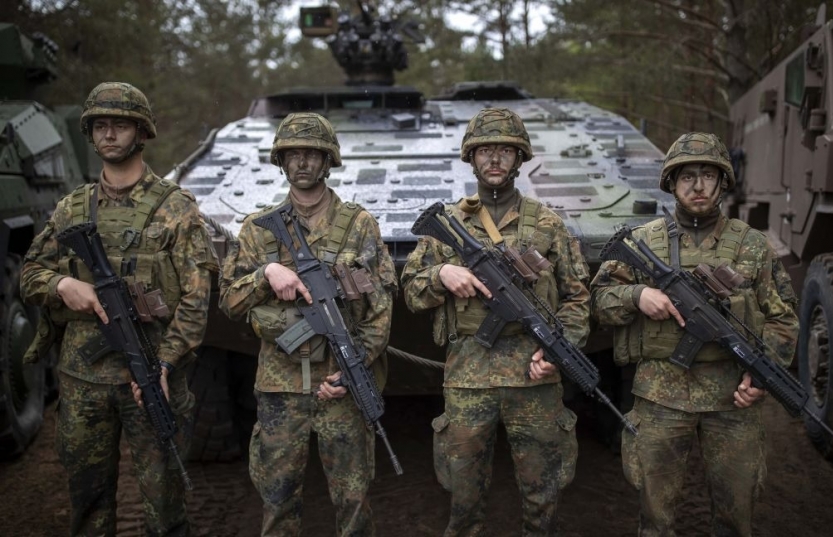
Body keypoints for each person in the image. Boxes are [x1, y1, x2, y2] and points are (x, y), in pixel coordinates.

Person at [20, 81, 217, 536]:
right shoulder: (72, 209)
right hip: (83, 380)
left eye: (121, 125)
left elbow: (195, 302)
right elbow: (30, 272)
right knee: (88, 504)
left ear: (141, 132)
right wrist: (64, 283)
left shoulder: (175, 208)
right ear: (90, 134)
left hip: (151, 376)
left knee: (165, 506)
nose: (110, 135)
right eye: (101, 126)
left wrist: (165, 364)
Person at [590, 132, 800, 536]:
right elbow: (598, 302)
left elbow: (783, 319)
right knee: (655, 518)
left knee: (736, 517)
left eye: (708, 175)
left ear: (723, 182)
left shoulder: (752, 246)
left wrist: (760, 378)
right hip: (659, 398)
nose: (698, 185)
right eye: (687, 176)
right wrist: (638, 295)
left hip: (732, 402)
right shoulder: (643, 242)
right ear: (672, 183)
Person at [401, 107, 590, 536]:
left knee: (543, 499)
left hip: (535, 379)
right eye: (485, 150)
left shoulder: (548, 224)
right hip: (468, 377)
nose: (494, 159)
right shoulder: (447, 225)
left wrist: (559, 350)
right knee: (463, 501)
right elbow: (411, 290)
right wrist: (440, 274)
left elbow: (578, 297)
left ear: (519, 158)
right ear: (471, 158)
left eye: (504, 150)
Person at [218, 112, 397, 536]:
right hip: (281, 389)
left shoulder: (358, 225)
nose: (301, 163)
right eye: (292, 154)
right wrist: (266, 275)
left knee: (353, 504)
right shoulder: (258, 230)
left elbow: (381, 307)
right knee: (277, 501)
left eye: (311, 154)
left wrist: (355, 366)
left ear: (328, 160)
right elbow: (228, 301)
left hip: (342, 388)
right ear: (281, 161)